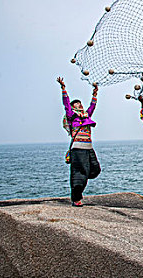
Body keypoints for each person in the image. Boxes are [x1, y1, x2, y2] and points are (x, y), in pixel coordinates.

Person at [57, 77, 101, 207]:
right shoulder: (72, 116)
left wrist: (95, 94)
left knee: (95, 169)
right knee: (78, 174)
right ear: (72, 107)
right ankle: (76, 199)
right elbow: (66, 103)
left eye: (80, 103)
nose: (79, 105)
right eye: (76, 104)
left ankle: (80, 184)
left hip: (88, 147)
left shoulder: (86, 115)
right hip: (78, 148)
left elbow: (92, 106)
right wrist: (63, 88)